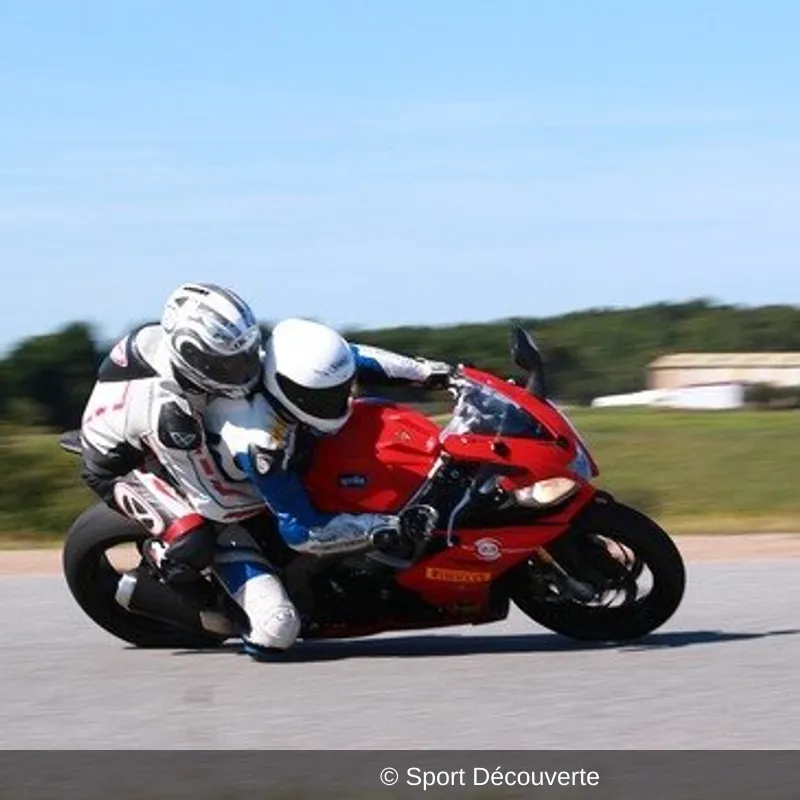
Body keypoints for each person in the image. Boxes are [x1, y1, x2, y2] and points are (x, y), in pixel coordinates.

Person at [203, 317, 453, 655]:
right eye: (328, 396)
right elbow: (303, 532)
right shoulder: (260, 441)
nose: (343, 398)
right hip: (235, 509)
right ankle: (233, 612)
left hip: (294, 462)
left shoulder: (291, 364)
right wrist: (389, 526)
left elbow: (355, 358)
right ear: (293, 393)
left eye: (341, 389)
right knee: (278, 632)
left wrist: (432, 373)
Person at [79, 282, 268, 620]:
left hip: (137, 421)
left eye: (246, 354)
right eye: (229, 365)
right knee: (194, 538)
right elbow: (217, 503)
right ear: (192, 357)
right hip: (122, 465)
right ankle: (194, 593)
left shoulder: (171, 344)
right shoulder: (172, 415)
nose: (244, 370)